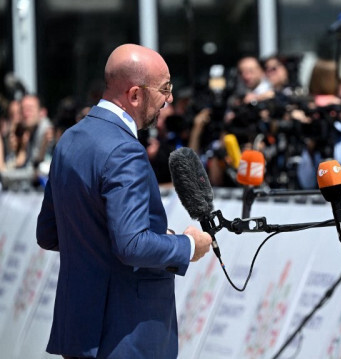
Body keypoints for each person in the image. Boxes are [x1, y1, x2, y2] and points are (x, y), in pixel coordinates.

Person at [36, 43, 212, 358]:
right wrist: (188, 246)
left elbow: (49, 233)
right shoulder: (124, 150)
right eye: (165, 89)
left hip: (80, 330)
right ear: (134, 95)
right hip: (126, 335)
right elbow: (131, 245)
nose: (170, 99)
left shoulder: (70, 140)